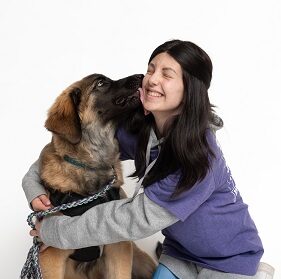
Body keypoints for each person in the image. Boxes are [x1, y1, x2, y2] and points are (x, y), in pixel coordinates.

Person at [23, 40, 265, 279]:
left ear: (189, 90)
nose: (151, 79)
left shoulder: (199, 159)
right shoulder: (142, 132)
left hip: (228, 259)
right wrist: (33, 186)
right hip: (181, 255)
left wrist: (54, 231)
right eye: (151, 69)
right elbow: (68, 152)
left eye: (166, 74)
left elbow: (132, 220)